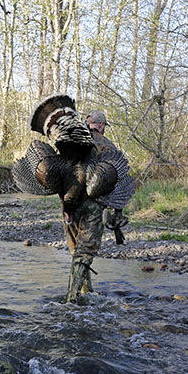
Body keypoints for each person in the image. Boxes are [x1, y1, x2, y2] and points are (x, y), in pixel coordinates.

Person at [63, 109, 127, 302]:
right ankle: (71, 298)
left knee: (76, 250)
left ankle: (86, 290)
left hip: (69, 202)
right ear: (101, 125)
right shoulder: (107, 147)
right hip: (94, 203)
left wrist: (66, 207)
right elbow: (119, 181)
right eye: (104, 126)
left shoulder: (73, 143)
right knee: (86, 251)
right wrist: (118, 212)